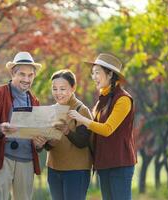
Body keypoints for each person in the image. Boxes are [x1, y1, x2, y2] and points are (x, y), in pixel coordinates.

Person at [68, 53, 137, 200]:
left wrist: (81, 119)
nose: (94, 77)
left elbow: (107, 129)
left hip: (120, 163)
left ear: (110, 74)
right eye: (92, 73)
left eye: (97, 72)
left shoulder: (123, 99)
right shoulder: (102, 99)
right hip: (104, 162)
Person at [0, 51, 47, 200]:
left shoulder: (34, 101)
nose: (26, 79)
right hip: (2, 158)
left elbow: (35, 133)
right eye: (22, 74)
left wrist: (39, 144)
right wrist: (0, 129)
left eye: (30, 75)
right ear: (13, 73)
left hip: (26, 160)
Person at [44, 69, 93, 200]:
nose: (58, 93)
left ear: (73, 88)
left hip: (76, 171)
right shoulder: (52, 110)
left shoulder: (81, 110)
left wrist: (67, 131)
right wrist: (45, 142)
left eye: (62, 89)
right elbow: (49, 146)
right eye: (55, 89)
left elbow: (83, 142)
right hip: (54, 169)